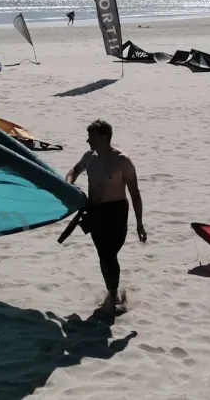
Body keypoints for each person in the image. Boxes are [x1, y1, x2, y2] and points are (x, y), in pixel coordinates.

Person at [66, 119, 146, 313]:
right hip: (95, 211)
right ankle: (112, 293)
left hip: (116, 212)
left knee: (110, 253)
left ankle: (113, 292)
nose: (87, 141)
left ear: (104, 137)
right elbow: (74, 171)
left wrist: (140, 224)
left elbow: (135, 193)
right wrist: (70, 184)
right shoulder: (89, 157)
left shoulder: (122, 160)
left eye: (91, 136)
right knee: (104, 254)